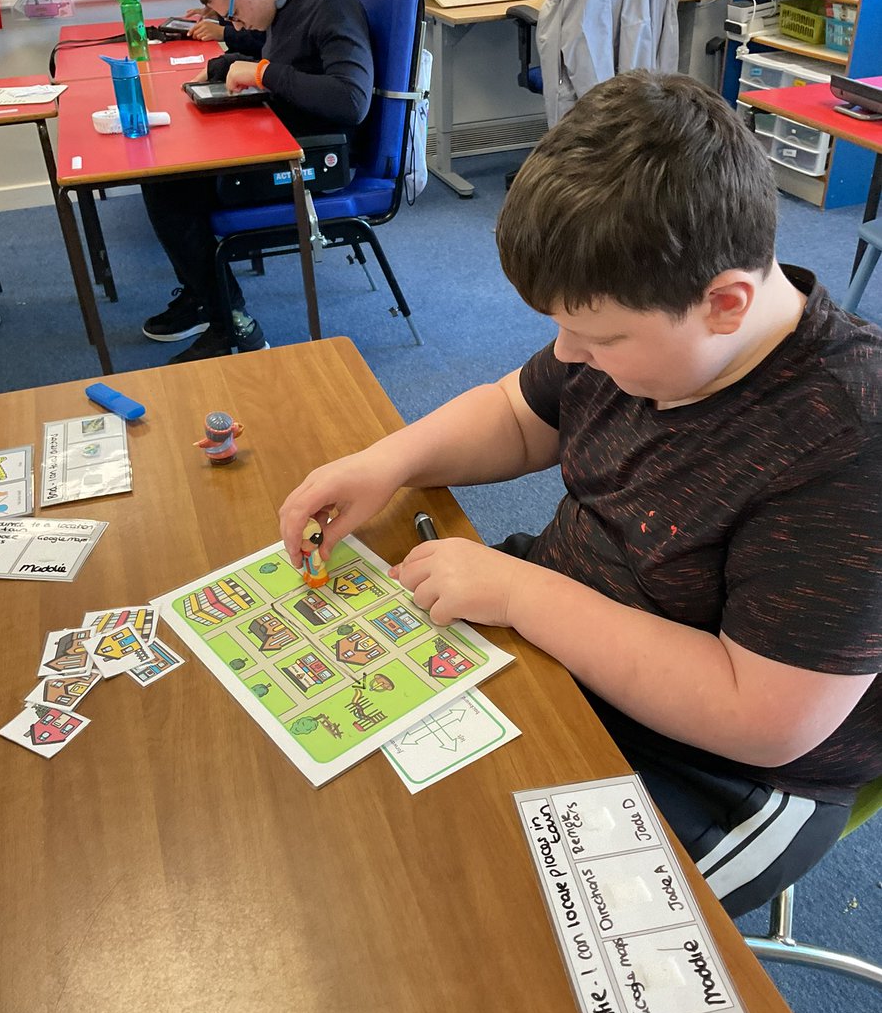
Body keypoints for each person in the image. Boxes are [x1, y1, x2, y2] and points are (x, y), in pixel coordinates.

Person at [278, 70, 882, 917]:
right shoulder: (643, 336)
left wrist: (525, 594)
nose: (566, 355)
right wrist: (388, 461)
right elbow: (520, 415)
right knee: (376, 831)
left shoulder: (847, 436)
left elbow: (763, 717)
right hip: (564, 631)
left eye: (594, 335)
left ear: (725, 304)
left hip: (729, 773)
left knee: (508, 942)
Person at [140, 0, 373, 363]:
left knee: (167, 188)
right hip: (276, 135)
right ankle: (204, 296)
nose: (238, 26)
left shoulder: (329, 4)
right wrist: (233, 65)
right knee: (165, 173)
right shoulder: (283, 3)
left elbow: (351, 100)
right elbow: (289, 62)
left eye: (233, 15)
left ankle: (234, 328)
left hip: (313, 157)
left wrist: (262, 72)